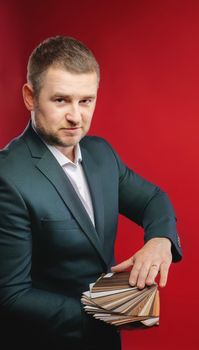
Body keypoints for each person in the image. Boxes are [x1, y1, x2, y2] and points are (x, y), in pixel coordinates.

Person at [0, 35, 182, 350]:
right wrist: (112, 310)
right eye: (61, 100)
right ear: (30, 96)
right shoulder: (7, 176)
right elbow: (10, 295)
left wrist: (160, 241)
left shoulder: (101, 154)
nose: (76, 116)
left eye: (86, 100)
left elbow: (153, 199)